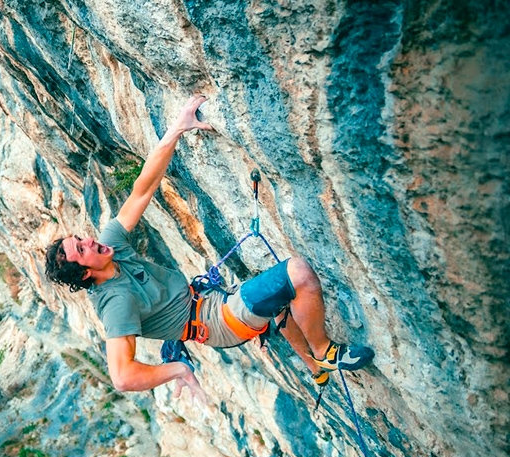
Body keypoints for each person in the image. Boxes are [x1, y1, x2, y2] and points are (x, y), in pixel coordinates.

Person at [44, 94, 373, 398]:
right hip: (217, 321)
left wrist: (177, 128)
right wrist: (178, 369)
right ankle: (324, 351)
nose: (89, 241)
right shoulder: (115, 303)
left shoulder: (109, 244)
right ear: (86, 274)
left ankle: (315, 370)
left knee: (278, 300)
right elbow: (122, 377)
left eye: (80, 239)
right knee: (297, 274)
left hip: (212, 299)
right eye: (82, 249)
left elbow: (142, 190)